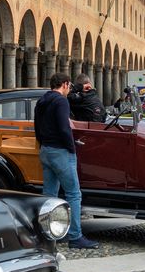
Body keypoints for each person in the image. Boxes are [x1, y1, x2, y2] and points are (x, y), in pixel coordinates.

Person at [33, 73, 98, 250]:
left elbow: (37, 126)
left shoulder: (43, 100)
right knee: (74, 194)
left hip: (46, 150)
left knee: (49, 196)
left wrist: (43, 144)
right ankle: (75, 236)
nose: (69, 89)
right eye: (68, 86)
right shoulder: (61, 101)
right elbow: (64, 127)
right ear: (64, 84)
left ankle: (46, 234)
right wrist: (72, 147)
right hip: (60, 151)